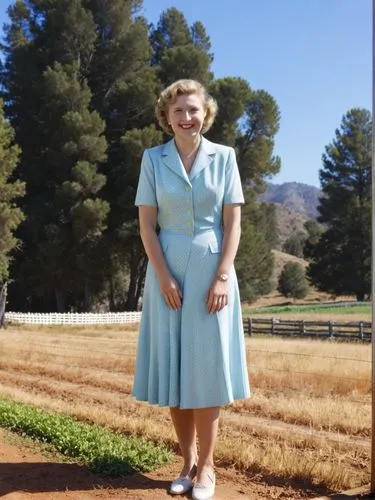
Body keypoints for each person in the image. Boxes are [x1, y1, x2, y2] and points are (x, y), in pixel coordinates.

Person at [132, 79, 250, 500]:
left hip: (211, 274)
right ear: (167, 116)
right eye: (178, 110)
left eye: (194, 110)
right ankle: (185, 464)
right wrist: (162, 275)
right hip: (166, 274)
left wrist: (222, 275)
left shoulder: (225, 158)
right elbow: (147, 224)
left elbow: (233, 223)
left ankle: (208, 469)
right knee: (176, 372)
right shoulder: (152, 159)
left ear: (206, 114)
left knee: (205, 372)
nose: (186, 117)